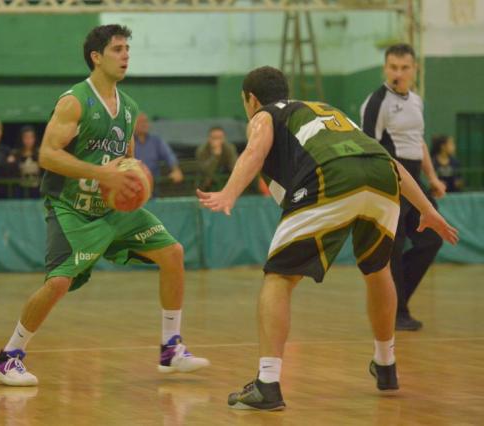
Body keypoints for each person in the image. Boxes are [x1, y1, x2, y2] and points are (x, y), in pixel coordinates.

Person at [197, 66, 458, 410]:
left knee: (279, 278)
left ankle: (268, 383)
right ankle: (386, 365)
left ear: (251, 99)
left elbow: (255, 150)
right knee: (378, 270)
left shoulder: (265, 114)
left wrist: (229, 192)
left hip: (331, 177)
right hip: (382, 177)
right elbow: (385, 160)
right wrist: (426, 207)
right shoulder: (325, 111)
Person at [0, 24, 209, 386]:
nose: (125, 55)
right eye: (118, 49)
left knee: (173, 253)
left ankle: (171, 349)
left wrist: (134, 180)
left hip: (111, 210)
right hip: (71, 208)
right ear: (97, 56)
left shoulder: (130, 107)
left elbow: (128, 165)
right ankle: (8, 357)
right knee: (58, 283)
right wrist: (100, 173)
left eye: (127, 49)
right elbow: (47, 154)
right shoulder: (75, 100)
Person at [361, 44, 446, 331]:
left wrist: (432, 178)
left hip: (415, 181)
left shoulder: (416, 101)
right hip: (390, 180)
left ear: (414, 69)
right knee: (394, 249)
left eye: (404, 67)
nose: (398, 73)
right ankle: (396, 313)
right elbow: (367, 146)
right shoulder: (376, 102)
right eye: (393, 67)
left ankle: (392, 302)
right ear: (385, 68)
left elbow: (418, 142)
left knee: (432, 238)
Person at [133, 112, 184, 194]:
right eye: (140, 122)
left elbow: (169, 155)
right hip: (133, 186)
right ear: (133, 125)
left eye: (146, 121)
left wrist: (176, 170)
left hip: (154, 185)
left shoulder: (156, 141)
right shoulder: (128, 142)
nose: (144, 124)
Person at [195, 126, 238, 191]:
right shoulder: (202, 150)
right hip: (206, 177)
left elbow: (234, 167)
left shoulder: (229, 148)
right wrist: (215, 156)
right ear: (209, 138)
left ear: (224, 138)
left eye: (220, 138)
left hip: (225, 174)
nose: (217, 141)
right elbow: (205, 169)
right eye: (214, 138)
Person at [11, 125, 42, 198]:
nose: (28, 140)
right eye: (26, 137)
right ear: (21, 139)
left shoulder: (40, 154)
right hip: (21, 190)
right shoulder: (15, 154)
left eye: (31, 137)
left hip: (37, 190)